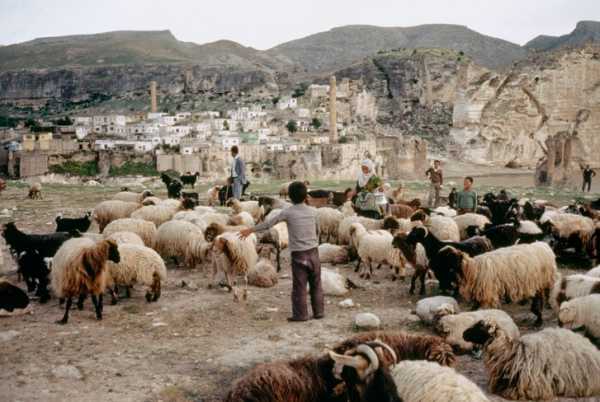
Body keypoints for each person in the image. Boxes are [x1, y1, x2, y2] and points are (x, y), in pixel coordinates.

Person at [239, 181, 323, 322]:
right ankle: (319, 312)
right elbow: (318, 231)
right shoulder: (314, 212)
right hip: (313, 253)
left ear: (289, 196)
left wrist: (250, 230)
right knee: (316, 284)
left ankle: (301, 315)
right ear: (306, 196)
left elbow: (268, 224)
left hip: (299, 255)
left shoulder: (288, 212)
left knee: (299, 286)